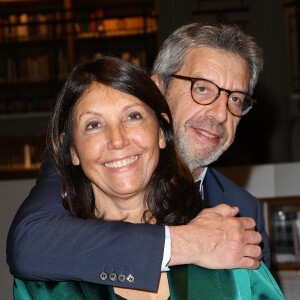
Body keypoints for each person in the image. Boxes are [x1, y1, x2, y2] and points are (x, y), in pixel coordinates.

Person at [7, 23, 266, 293]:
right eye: (202, 89)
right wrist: (186, 243)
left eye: (235, 99)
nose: (221, 114)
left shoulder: (242, 210)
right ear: (157, 87)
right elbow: (29, 243)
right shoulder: (89, 157)